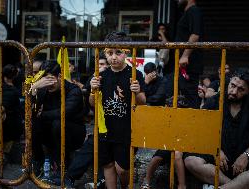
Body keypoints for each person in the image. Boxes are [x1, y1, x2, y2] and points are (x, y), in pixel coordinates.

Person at [89, 31, 146, 189]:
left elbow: (143, 101)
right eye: (109, 53)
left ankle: (127, 185)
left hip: (126, 130)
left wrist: (137, 91)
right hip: (105, 129)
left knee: (122, 169)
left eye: (118, 52)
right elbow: (92, 103)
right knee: (107, 165)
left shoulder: (135, 74)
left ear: (127, 52)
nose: (113, 57)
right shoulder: (100, 76)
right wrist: (93, 90)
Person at [184, 71, 249, 189]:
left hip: (244, 156)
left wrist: (246, 155)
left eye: (241, 89)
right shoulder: (215, 101)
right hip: (218, 154)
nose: (234, 91)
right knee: (191, 161)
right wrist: (216, 150)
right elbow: (202, 129)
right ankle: (235, 186)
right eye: (233, 85)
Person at [31, 60, 86, 180]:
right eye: (44, 81)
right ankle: (38, 162)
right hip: (51, 132)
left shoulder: (73, 90)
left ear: (60, 76)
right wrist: (34, 89)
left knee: (58, 123)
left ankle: (63, 167)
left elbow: (64, 112)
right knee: (32, 123)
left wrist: (42, 114)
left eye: (51, 80)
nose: (48, 84)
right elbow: (30, 113)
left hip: (73, 133)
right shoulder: (43, 88)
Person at [63, 54, 110, 189]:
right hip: (102, 124)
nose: (103, 67)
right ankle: (70, 177)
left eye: (105, 64)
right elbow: (91, 103)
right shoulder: (95, 78)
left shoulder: (118, 76)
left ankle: (102, 181)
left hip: (120, 125)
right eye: (100, 64)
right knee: (92, 145)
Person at [141, 95, 188, 189]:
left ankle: (182, 185)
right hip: (168, 144)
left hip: (182, 145)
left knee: (177, 155)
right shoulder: (165, 118)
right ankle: (146, 181)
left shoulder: (185, 119)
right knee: (157, 158)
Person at [166, 0, 203, 109]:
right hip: (182, 64)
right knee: (178, 94)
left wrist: (185, 55)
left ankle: (193, 122)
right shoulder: (188, 12)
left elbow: (195, 35)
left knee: (190, 97)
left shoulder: (194, 11)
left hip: (188, 65)